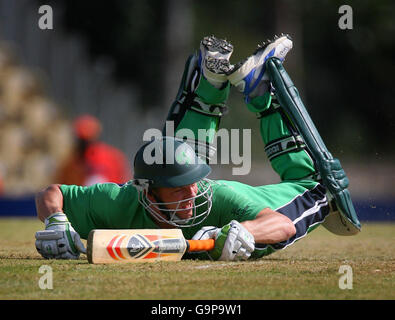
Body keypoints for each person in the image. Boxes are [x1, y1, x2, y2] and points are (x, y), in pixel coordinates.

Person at [34, 35, 361, 261]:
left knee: (318, 188)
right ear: (148, 194)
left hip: (266, 206)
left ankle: (260, 91)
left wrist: (245, 231)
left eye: (193, 182)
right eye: (176, 190)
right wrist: (56, 220)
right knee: (172, 154)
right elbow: (52, 193)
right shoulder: (121, 201)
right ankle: (211, 86)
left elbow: (281, 225)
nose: (191, 193)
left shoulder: (219, 198)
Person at [56, 114, 132, 186]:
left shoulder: (112, 158)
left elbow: (124, 181)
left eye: (86, 141)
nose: (83, 145)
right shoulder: (70, 164)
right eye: (81, 141)